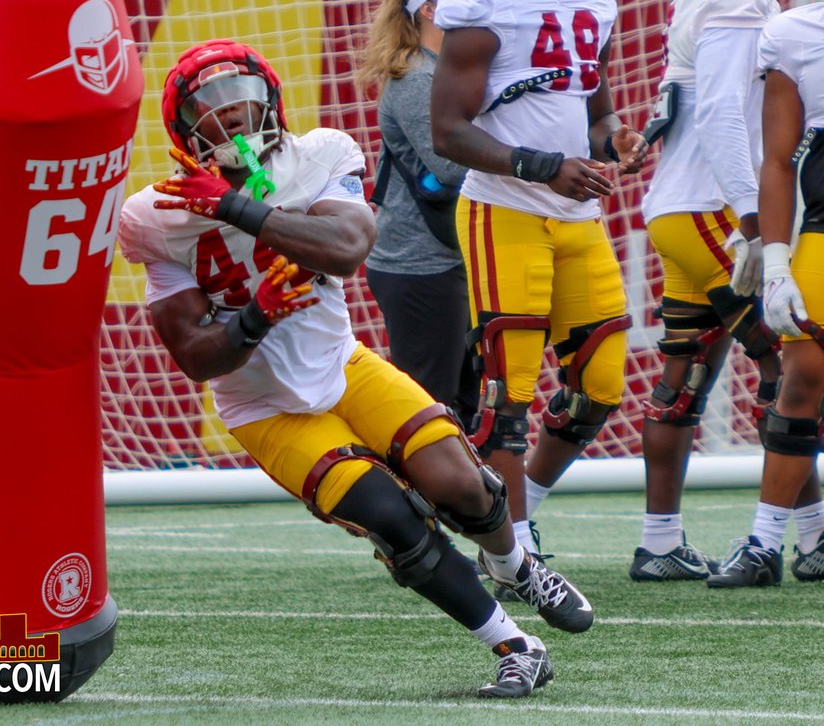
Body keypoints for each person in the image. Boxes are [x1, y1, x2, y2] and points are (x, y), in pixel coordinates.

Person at [118, 38, 595, 699]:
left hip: (342, 363)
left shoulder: (321, 154)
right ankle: (515, 644)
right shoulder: (153, 216)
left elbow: (346, 248)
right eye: (210, 106)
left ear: (272, 99)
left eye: (241, 98)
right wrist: (255, 316)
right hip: (263, 406)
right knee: (390, 517)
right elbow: (196, 356)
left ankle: (514, 565)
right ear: (181, 127)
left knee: (464, 484)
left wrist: (233, 207)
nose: (230, 116)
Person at [429, 0, 648, 560]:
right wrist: (542, 166)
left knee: (600, 383)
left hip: (574, 214)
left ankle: (519, 510)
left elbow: (592, 99)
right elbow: (449, 131)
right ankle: (512, 547)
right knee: (507, 395)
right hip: (504, 210)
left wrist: (613, 134)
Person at [632, 0, 816, 583]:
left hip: (679, 209)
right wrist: (751, 218)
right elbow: (715, 113)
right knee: (795, 367)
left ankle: (658, 540)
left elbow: (681, 106)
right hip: (716, 211)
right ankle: (798, 538)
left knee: (680, 381)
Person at [707, 0, 824, 587]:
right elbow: (778, 160)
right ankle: (764, 545)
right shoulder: (794, 34)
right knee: (803, 376)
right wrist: (775, 259)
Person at [357, 0, 478, 425]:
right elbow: (450, 167)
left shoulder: (442, 71)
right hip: (419, 265)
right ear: (429, 9)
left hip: (450, 258)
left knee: (465, 406)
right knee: (430, 412)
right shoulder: (415, 77)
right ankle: (423, 499)